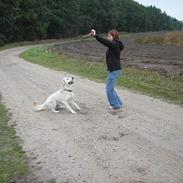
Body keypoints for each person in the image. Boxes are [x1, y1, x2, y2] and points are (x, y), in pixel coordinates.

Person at [89, 29, 124, 110]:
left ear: (114, 37)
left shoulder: (114, 45)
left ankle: (115, 105)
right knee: (111, 88)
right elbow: (108, 43)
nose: (108, 38)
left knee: (109, 89)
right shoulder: (115, 45)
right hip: (114, 69)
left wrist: (95, 35)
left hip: (115, 70)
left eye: (109, 36)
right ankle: (118, 102)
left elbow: (105, 42)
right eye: (108, 36)